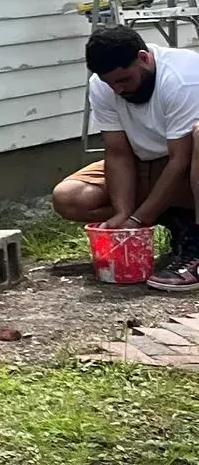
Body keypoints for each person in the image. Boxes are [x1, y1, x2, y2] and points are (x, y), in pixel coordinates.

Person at [52, 24, 199, 290]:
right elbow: (118, 152)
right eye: (110, 83)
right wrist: (123, 212)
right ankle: (179, 222)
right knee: (70, 198)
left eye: (124, 81)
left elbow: (181, 160)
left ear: (143, 58)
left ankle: (197, 246)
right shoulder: (103, 85)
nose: (117, 90)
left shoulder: (182, 77)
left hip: (190, 161)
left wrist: (138, 219)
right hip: (153, 162)